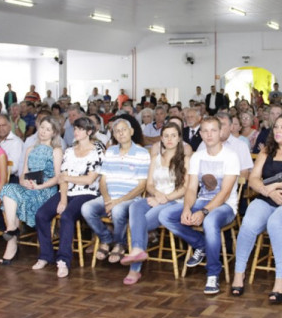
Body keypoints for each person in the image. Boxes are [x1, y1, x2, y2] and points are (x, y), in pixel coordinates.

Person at [231, 114, 282, 303]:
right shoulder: (267, 151)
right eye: (276, 127)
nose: (278, 131)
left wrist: (276, 187)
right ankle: (239, 273)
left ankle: (281, 279)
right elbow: (253, 179)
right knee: (249, 221)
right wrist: (267, 191)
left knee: (275, 223)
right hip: (267, 199)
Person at [159, 116, 240, 295]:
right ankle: (201, 244)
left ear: (220, 133)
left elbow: (225, 193)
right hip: (202, 201)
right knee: (166, 215)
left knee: (210, 222)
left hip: (225, 206)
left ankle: (213, 273)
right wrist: (187, 208)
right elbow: (191, 188)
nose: (209, 134)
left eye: (213, 130)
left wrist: (203, 212)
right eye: (205, 130)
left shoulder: (231, 156)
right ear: (200, 133)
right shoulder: (197, 156)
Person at [33, 116, 104, 276]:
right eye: (75, 128)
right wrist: (63, 199)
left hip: (88, 193)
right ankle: (45, 255)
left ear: (89, 131)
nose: (76, 132)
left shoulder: (97, 150)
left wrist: (69, 178)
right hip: (67, 192)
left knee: (66, 217)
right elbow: (62, 178)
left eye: (80, 129)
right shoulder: (70, 151)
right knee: (41, 214)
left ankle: (63, 260)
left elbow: (89, 179)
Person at [123, 123, 189, 283]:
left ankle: (134, 268)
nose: (170, 139)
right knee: (135, 206)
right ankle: (138, 249)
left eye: (173, 135)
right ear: (161, 139)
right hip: (157, 197)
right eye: (166, 136)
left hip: (175, 202)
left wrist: (165, 198)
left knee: (142, 223)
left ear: (179, 138)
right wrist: (158, 195)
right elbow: (149, 185)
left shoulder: (186, 159)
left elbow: (186, 188)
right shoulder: (156, 159)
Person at [0, 117, 63, 264]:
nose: (43, 132)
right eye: (42, 128)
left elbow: (58, 178)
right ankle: (12, 228)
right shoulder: (30, 149)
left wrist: (40, 186)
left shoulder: (56, 150)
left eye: (48, 129)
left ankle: (12, 239)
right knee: (8, 189)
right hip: (30, 186)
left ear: (53, 133)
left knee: (14, 200)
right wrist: (23, 182)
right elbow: (23, 173)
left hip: (46, 190)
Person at [83, 118, 150, 266]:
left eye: (124, 129)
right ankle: (106, 239)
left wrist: (116, 202)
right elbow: (102, 180)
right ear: (113, 134)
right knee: (86, 208)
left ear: (131, 132)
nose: (120, 133)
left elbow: (141, 187)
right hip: (109, 197)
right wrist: (107, 200)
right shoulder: (111, 151)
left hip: (130, 200)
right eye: (117, 131)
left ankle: (120, 243)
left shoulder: (142, 153)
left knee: (118, 210)